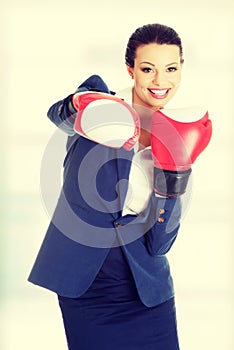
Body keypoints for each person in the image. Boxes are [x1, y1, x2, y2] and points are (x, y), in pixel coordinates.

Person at [28, 23, 212, 349]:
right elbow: (57, 115)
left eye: (170, 68)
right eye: (147, 69)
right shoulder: (102, 100)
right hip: (86, 281)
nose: (160, 81)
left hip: (145, 281)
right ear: (131, 70)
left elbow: (159, 243)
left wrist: (175, 173)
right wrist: (88, 107)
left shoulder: (181, 133)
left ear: (181, 69)